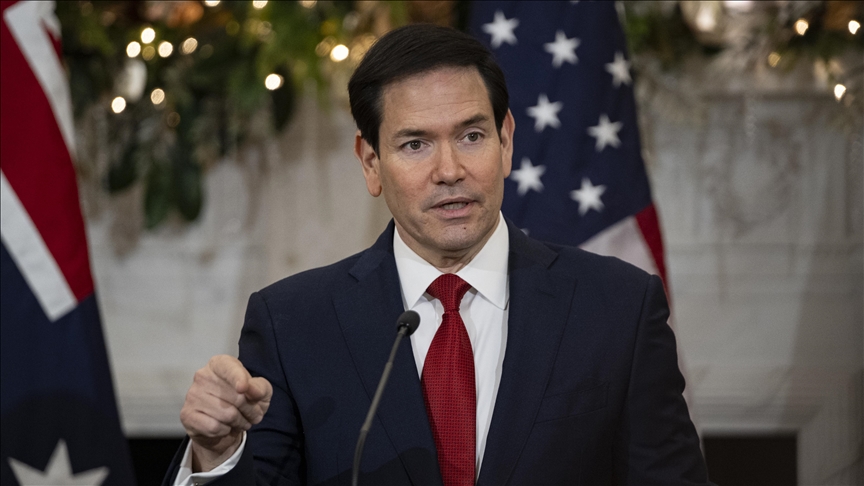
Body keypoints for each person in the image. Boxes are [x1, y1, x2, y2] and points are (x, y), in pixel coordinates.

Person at [164, 24, 711, 486]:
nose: (449, 170)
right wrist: (216, 454)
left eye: (471, 136)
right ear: (371, 163)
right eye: (415, 144)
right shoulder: (293, 323)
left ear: (506, 142)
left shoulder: (618, 308)